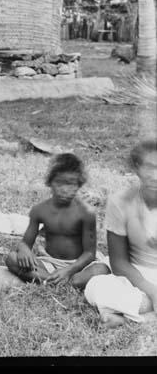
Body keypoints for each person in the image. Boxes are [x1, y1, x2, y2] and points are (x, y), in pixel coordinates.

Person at [6, 153, 109, 288]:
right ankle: (54, 280)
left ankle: (55, 280)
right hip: (50, 263)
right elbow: (25, 243)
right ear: (50, 182)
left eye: (71, 184)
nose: (65, 190)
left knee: (100, 270)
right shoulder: (39, 210)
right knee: (12, 259)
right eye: (59, 183)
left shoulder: (86, 213)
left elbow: (89, 253)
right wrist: (24, 250)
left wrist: (69, 270)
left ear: (79, 185)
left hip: (81, 265)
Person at [84, 140, 157, 327]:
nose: (155, 176)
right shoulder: (120, 202)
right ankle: (146, 312)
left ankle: (134, 318)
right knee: (96, 288)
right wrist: (152, 290)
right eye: (150, 167)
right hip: (135, 276)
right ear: (138, 168)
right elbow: (119, 263)